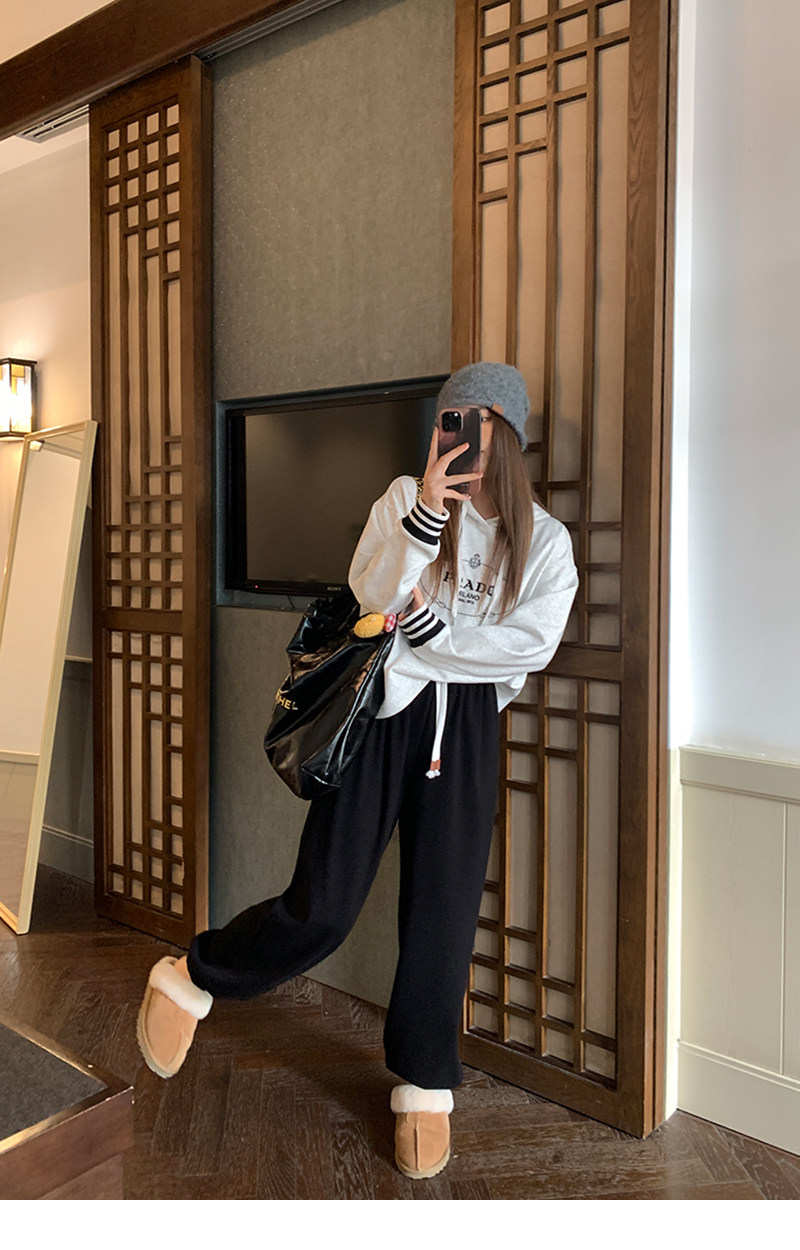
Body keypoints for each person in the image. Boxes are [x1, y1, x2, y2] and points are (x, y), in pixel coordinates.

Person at [136, 361, 579, 1181]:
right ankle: (194, 974)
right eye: (451, 419)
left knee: (444, 915)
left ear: (511, 436)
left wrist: (431, 636)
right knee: (324, 904)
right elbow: (371, 594)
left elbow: (529, 647)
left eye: (481, 422)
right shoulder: (403, 498)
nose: (463, 436)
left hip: (465, 734)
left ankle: (424, 1082)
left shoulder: (545, 541)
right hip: (380, 718)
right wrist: (426, 516)